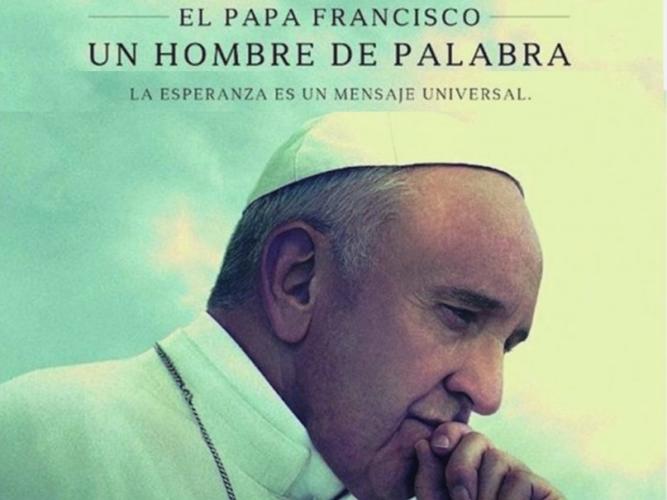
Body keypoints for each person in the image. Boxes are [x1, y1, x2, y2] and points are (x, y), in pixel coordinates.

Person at [0, 113, 563, 499]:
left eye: (507, 344)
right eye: (459, 315)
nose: (488, 394)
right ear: (298, 280)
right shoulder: (39, 442)